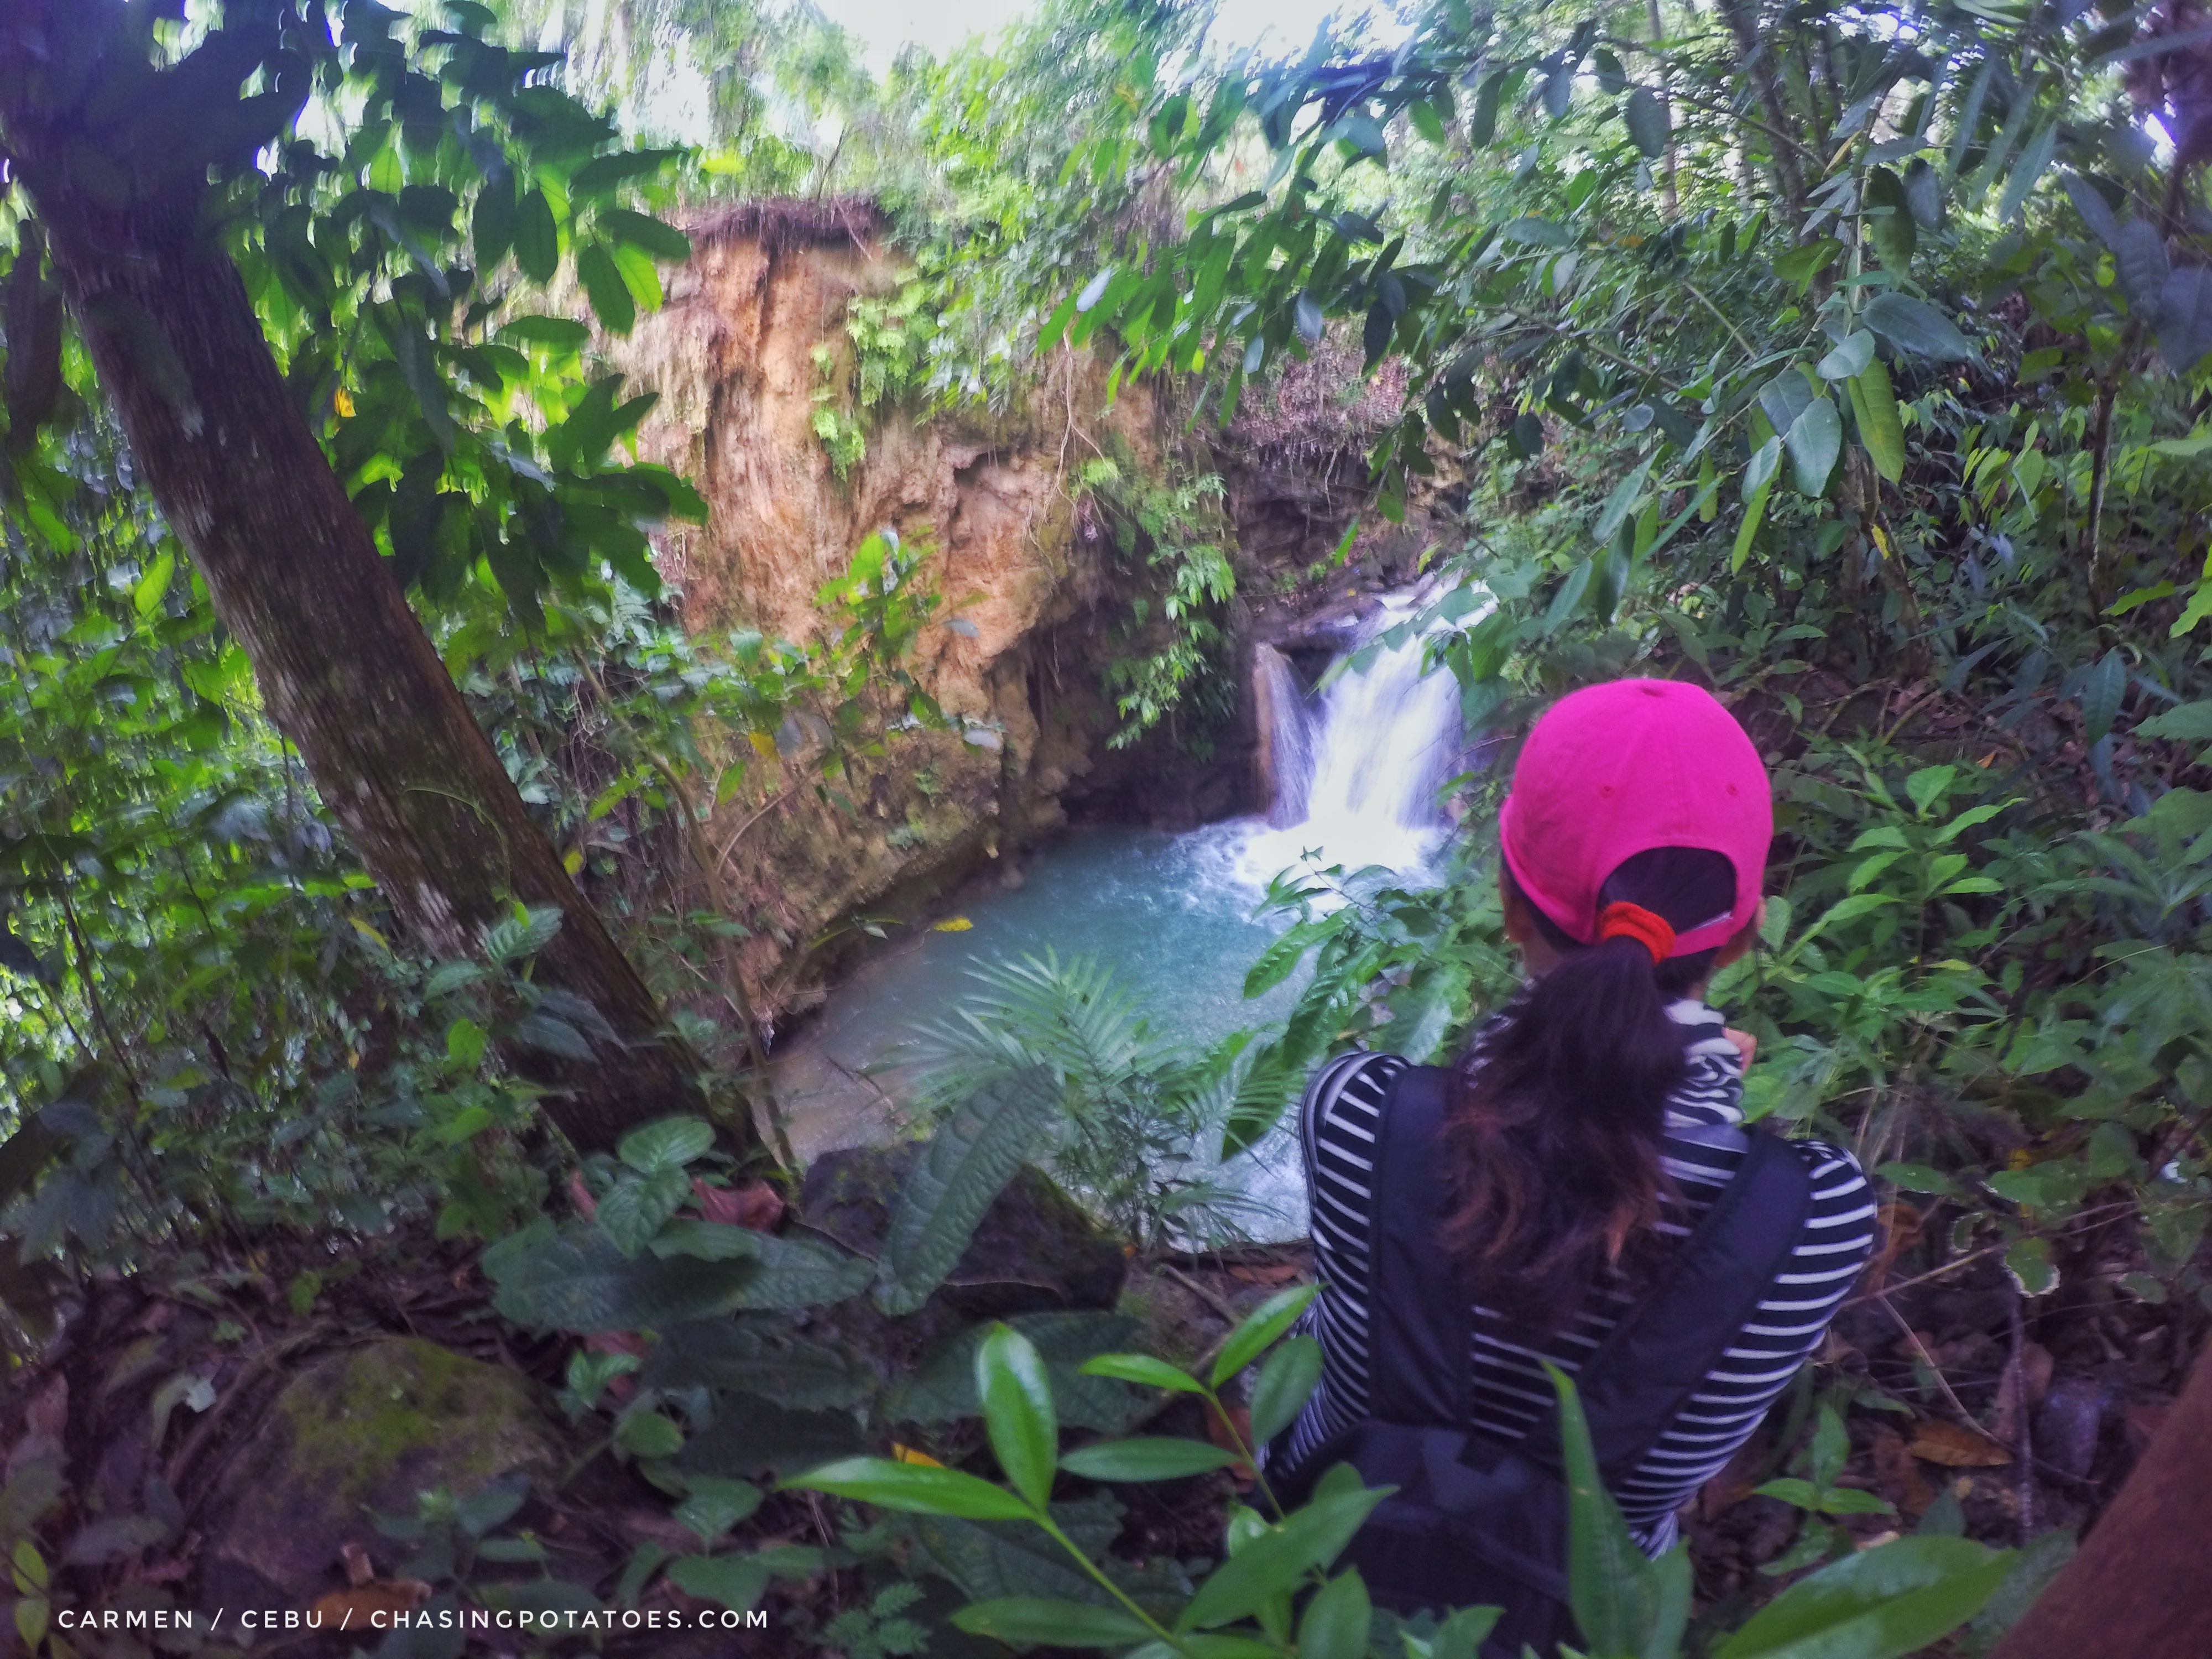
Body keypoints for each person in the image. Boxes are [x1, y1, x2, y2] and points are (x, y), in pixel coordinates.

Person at [1262, 679, 1876, 1645]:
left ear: (1511, 905)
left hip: (1321, 1580)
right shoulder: (1817, 1221)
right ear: (1744, 933)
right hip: (1579, 1625)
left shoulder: (1359, 1114)